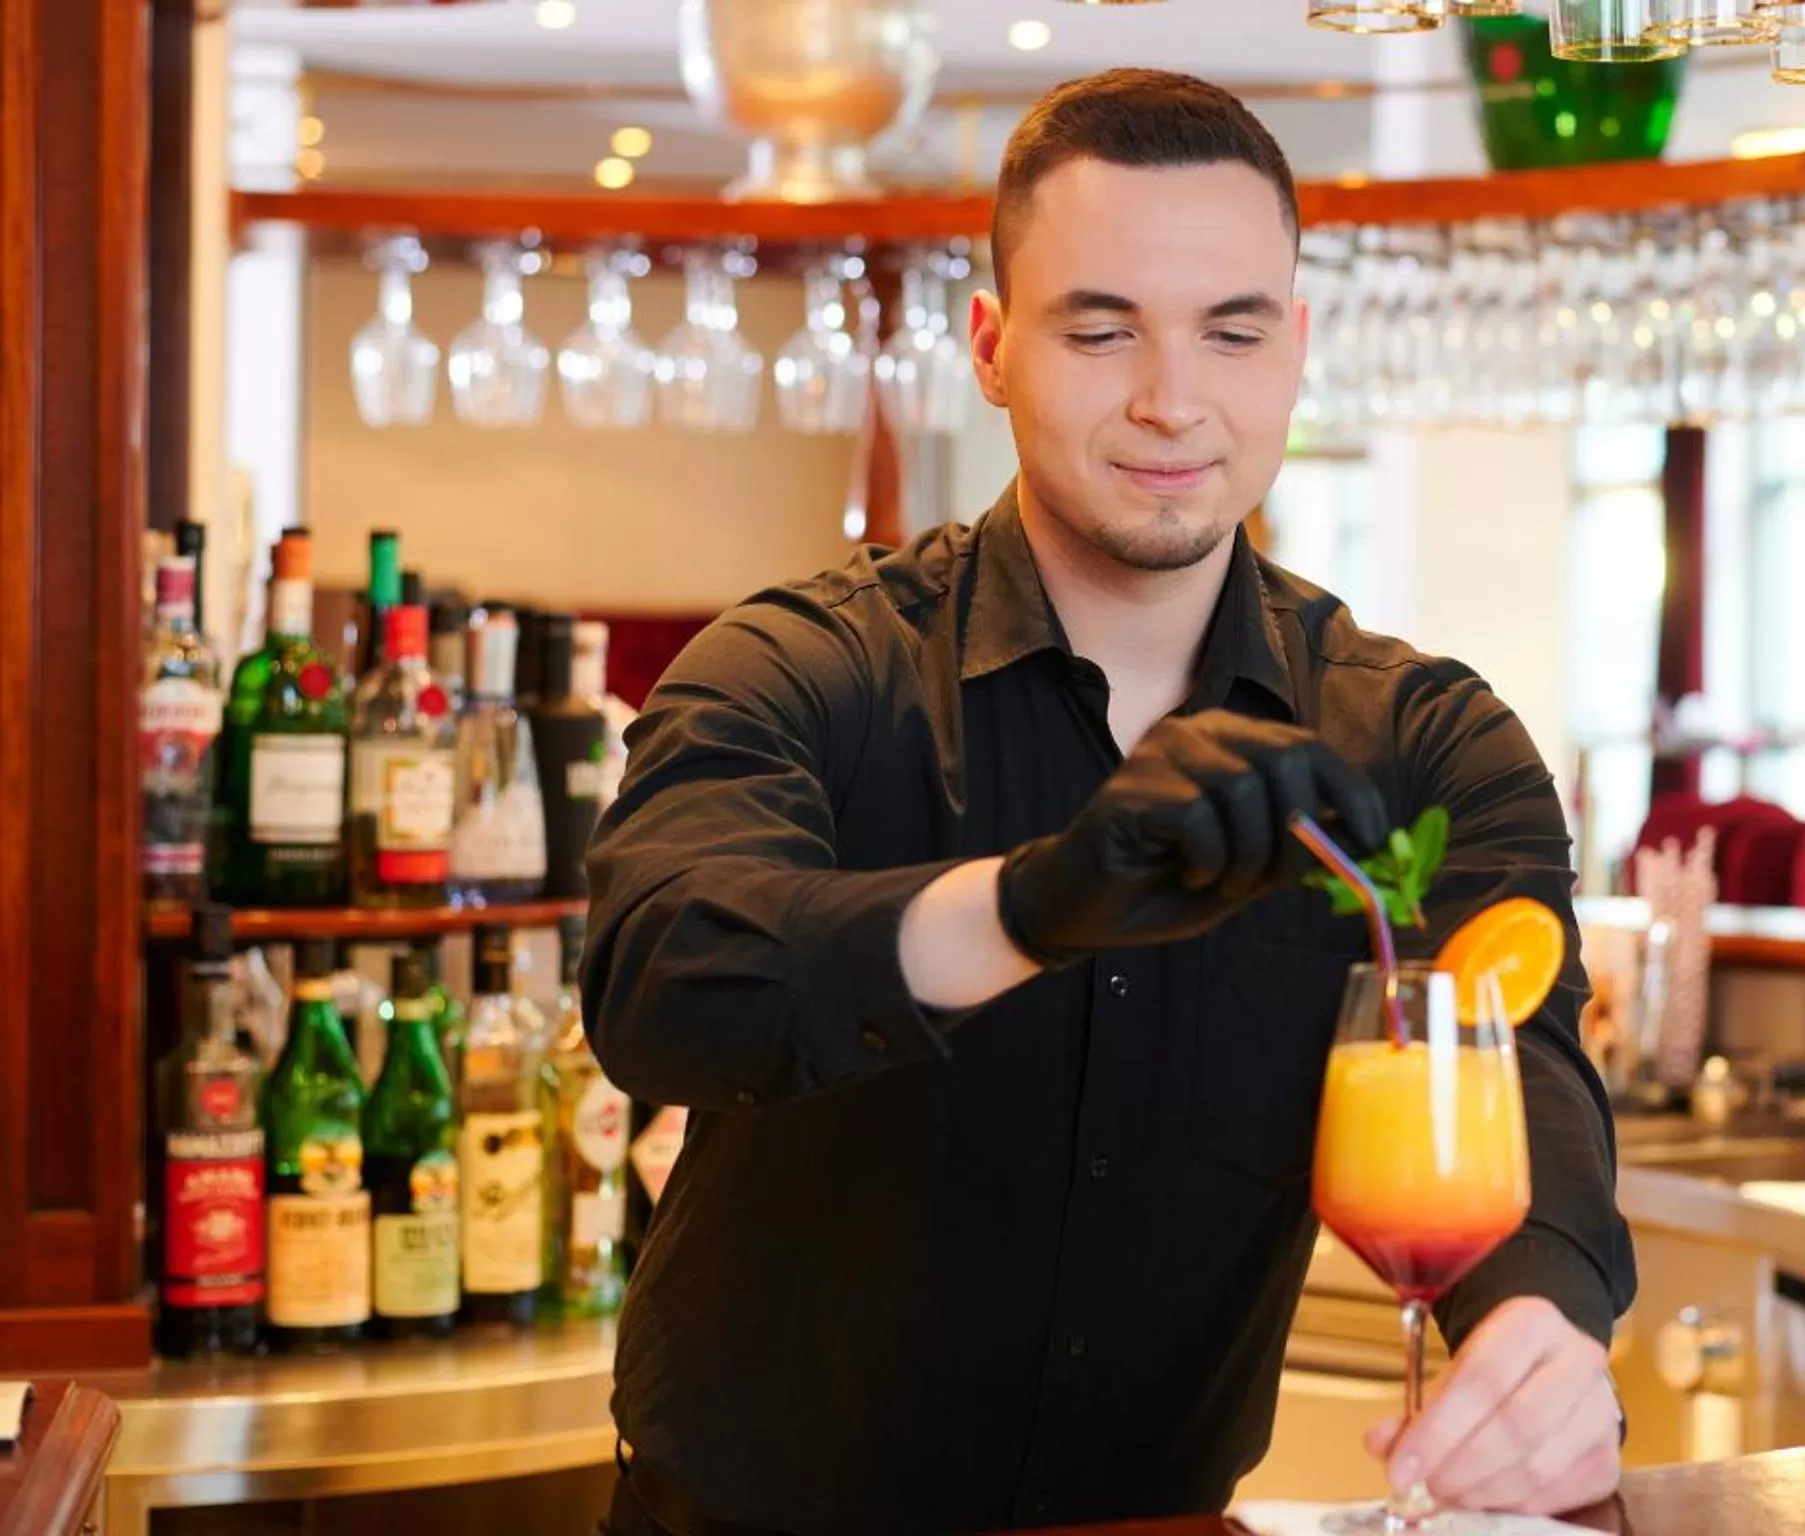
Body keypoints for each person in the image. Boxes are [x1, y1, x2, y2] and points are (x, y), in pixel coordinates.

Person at [583, 68, 1637, 1536]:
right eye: (1101, 328)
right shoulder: (801, 667)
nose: (1172, 398)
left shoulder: (1422, 741)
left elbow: (1507, 1042)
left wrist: (1544, 1323)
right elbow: (663, 974)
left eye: (1232, 330)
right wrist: (1031, 904)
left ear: (1296, 351)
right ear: (994, 348)